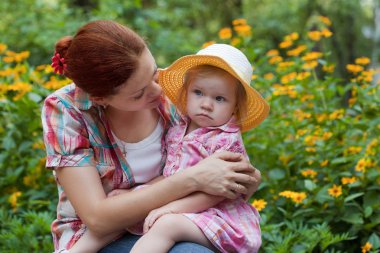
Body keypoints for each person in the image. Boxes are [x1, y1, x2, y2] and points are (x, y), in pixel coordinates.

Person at [42, 20, 261, 253]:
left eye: (155, 75)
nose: (159, 91)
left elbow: (220, 172)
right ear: (100, 98)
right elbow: (98, 219)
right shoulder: (67, 110)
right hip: (103, 233)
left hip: (170, 217)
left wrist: (247, 177)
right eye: (139, 94)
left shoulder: (189, 99)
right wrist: (193, 178)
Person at [128, 44, 270, 253]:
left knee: (166, 225)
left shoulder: (225, 140)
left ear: (235, 107)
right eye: (198, 92)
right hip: (181, 203)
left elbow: (220, 193)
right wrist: (132, 193)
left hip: (217, 214)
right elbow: (171, 173)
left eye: (219, 98)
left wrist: (170, 209)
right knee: (126, 207)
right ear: (186, 93)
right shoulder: (178, 126)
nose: (206, 104)